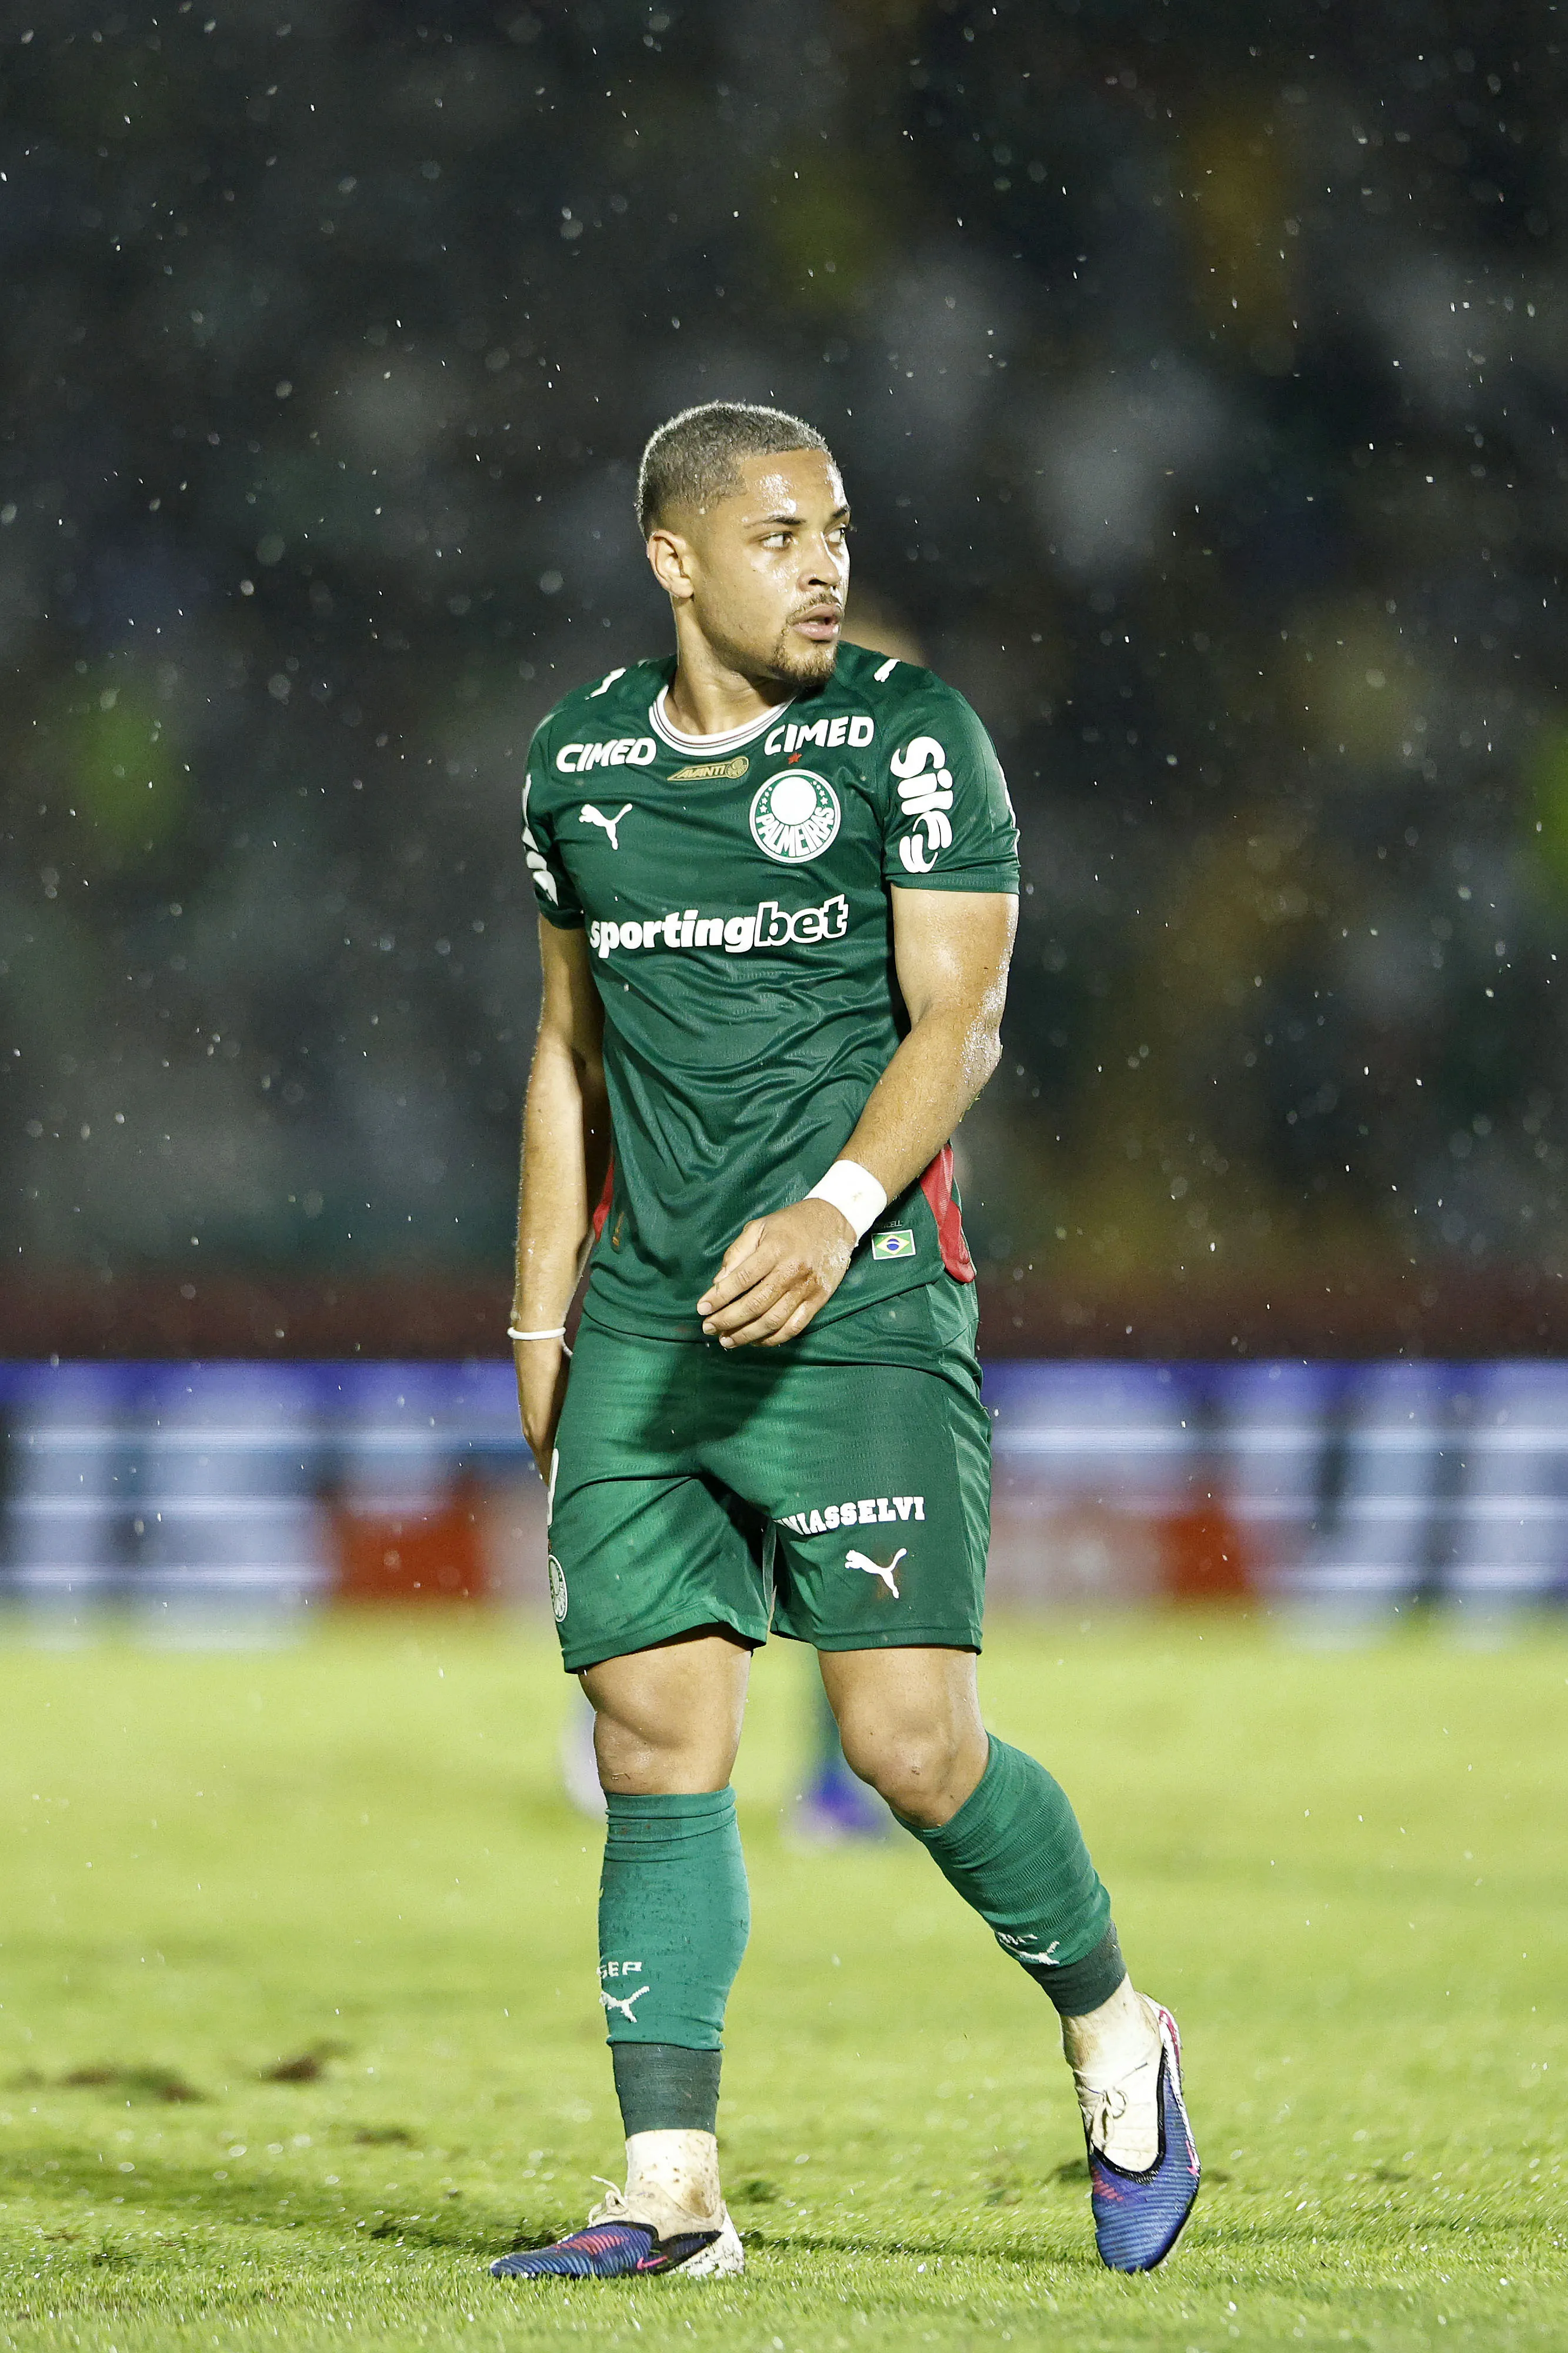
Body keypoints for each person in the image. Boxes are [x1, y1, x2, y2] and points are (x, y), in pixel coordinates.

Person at [492, 402, 1199, 2286]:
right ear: (674, 559)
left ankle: (1117, 2027)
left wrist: (832, 1212)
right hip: (650, 1310)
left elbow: (956, 1025)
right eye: (781, 536)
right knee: (656, 1740)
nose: (825, 566)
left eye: (838, 531)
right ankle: (671, 2193)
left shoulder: (908, 737)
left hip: (866, 1291)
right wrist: (540, 1308)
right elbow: (569, 1053)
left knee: (902, 1743)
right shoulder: (574, 764)